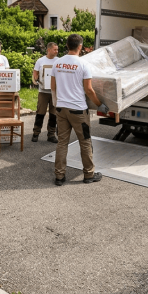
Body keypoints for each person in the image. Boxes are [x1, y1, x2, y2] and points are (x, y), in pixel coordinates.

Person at [50, 34, 109, 186]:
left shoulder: (57, 63)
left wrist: (57, 104)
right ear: (80, 47)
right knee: (85, 142)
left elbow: (53, 87)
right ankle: (89, 174)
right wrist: (99, 104)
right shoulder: (83, 64)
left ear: (67, 46)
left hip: (61, 109)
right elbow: (88, 90)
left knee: (62, 143)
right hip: (78, 111)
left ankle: (59, 176)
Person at [32, 42, 59, 143]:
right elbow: (35, 73)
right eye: (55, 49)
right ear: (48, 50)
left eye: (57, 49)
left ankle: (51, 135)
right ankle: (36, 133)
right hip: (43, 92)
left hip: (54, 92)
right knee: (40, 113)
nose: (56, 51)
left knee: (54, 114)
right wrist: (36, 79)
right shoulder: (40, 61)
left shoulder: (59, 61)